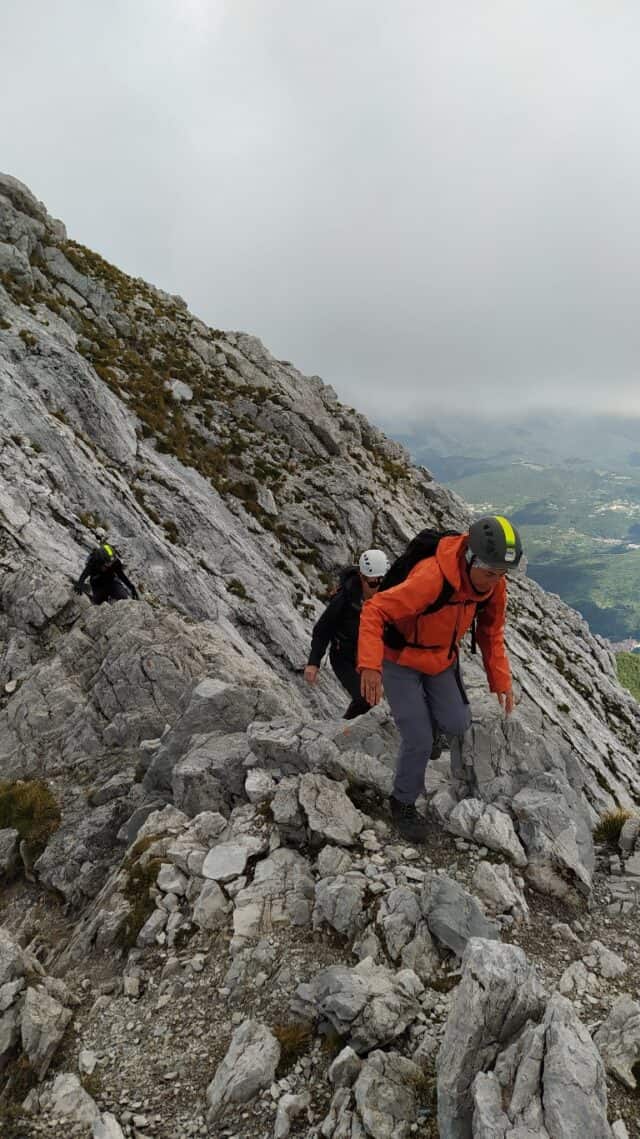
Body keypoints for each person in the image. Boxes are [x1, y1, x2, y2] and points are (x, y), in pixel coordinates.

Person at [357, 516, 524, 842]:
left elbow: (491, 632)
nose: (494, 582)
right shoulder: (432, 578)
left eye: (502, 574)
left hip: (442, 659)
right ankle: (402, 802)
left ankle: (427, 732)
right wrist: (369, 666)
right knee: (418, 739)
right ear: (470, 559)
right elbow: (375, 611)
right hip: (400, 660)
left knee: (458, 723)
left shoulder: (493, 585)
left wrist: (500, 679)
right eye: (489, 573)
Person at [304, 549, 390, 719]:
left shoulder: (388, 595)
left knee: (369, 699)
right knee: (366, 698)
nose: (377, 589)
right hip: (343, 657)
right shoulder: (345, 598)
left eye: (382, 582)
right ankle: (344, 729)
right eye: (373, 584)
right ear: (361, 577)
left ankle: (347, 726)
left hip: (371, 655)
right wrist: (313, 662)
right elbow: (323, 630)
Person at [73, 528, 138, 605]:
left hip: (111, 581)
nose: (110, 564)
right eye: (108, 563)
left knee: (124, 599)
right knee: (99, 604)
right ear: (101, 560)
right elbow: (85, 573)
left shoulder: (114, 562)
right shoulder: (94, 561)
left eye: (111, 562)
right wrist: (80, 584)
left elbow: (121, 575)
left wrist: (132, 588)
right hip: (97, 584)